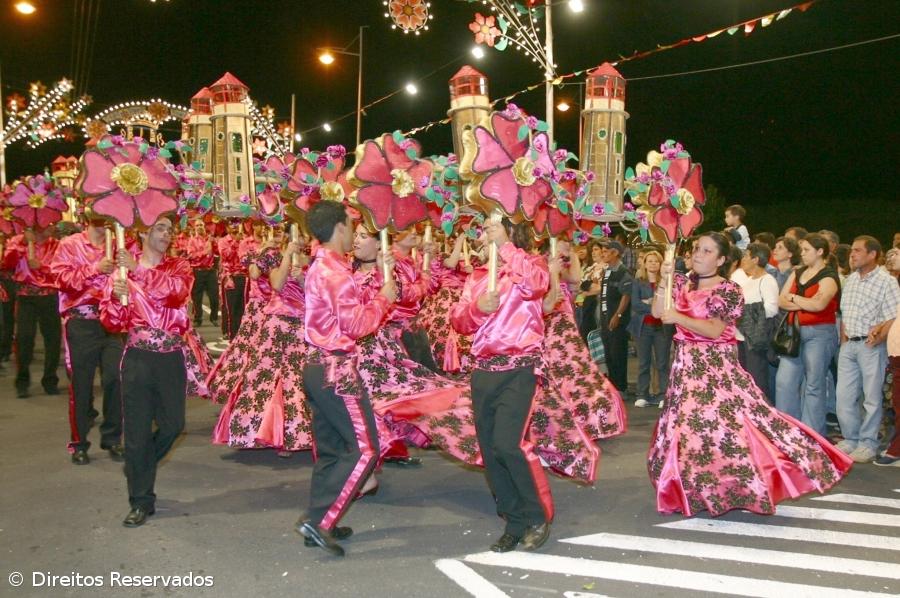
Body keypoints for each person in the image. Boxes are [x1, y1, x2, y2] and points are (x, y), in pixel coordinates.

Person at [648, 232, 852, 516]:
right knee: (688, 429)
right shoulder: (682, 282)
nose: (698, 254)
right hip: (685, 365)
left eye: (707, 251)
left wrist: (679, 318)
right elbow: (659, 311)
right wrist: (664, 281)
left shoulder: (729, 290)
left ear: (721, 260)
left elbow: (715, 330)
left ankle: (741, 481)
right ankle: (698, 489)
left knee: (727, 425)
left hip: (715, 368)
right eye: (697, 249)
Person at [296, 201, 396, 557]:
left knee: (333, 451)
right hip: (336, 370)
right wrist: (384, 299)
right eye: (351, 225)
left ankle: (320, 518)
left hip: (317, 367)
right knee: (366, 449)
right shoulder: (334, 273)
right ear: (339, 227)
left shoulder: (324, 266)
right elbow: (357, 325)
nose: (354, 232)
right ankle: (319, 522)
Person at [451, 218, 553, 553]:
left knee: (508, 445)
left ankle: (536, 517)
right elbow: (458, 321)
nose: (484, 235)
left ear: (509, 232)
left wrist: (506, 247)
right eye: (485, 230)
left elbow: (538, 285)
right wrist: (477, 309)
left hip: (520, 367)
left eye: (492, 228)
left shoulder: (530, 264)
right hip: (483, 370)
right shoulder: (478, 277)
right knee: (491, 451)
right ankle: (514, 522)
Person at [100, 216, 193, 527]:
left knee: (173, 425)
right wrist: (116, 298)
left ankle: (139, 465)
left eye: (170, 229)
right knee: (137, 433)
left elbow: (176, 293)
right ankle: (140, 500)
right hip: (138, 358)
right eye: (160, 228)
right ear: (143, 232)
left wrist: (140, 271)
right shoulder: (121, 272)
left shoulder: (178, 267)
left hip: (170, 357)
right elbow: (112, 322)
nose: (167, 234)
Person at [50, 218, 124, 465]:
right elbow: (60, 279)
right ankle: (79, 443)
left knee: (116, 378)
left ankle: (112, 438)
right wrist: (95, 268)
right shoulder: (70, 244)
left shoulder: (119, 244)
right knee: (81, 384)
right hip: (81, 322)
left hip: (112, 322)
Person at [835, 236, 900, 463]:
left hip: (871, 346)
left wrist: (877, 339)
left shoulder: (886, 281)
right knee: (844, 396)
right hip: (849, 344)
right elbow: (845, 313)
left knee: (871, 398)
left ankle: (868, 443)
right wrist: (844, 339)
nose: (852, 254)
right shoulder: (851, 279)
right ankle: (850, 438)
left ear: (872, 254)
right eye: (852, 250)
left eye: (857, 250)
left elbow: (893, 316)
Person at [774, 234, 841, 434]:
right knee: (784, 381)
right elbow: (781, 301)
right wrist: (805, 303)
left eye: (806, 250)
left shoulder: (829, 276)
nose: (801, 253)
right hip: (794, 332)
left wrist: (794, 297)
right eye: (801, 249)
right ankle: (788, 430)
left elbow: (819, 305)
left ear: (820, 251)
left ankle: (812, 433)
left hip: (820, 334)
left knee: (814, 384)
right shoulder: (798, 272)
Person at [3, 226, 61, 398]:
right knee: (24, 339)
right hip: (25, 297)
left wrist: (42, 267)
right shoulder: (17, 241)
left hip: (50, 296)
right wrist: (24, 243)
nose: (43, 228)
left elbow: (61, 271)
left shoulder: (56, 245)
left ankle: (50, 380)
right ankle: (22, 380)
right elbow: (7, 263)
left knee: (53, 340)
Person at [732, 242, 779, 400]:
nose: (743, 260)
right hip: (741, 336)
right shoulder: (748, 280)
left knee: (757, 378)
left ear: (756, 259)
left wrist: (746, 313)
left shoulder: (767, 280)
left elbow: (771, 308)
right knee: (744, 377)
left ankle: (762, 409)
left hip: (755, 338)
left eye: (746, 256)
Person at [628, 249, 673, 407]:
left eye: (656, 261)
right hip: (643, 327)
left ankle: (663, 395)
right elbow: (636, 304)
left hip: (662, 328)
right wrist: (655, 306)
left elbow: (669, 303)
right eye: (650, 261)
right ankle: (642, 394)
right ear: (645, 264)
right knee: (643, 362)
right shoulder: (638, 282)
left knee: (662, 363)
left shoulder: (667, 282)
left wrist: (650, 302)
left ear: (661, 264)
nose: (653, 264)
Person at [594, 240, 633, 393]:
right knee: (609, 353)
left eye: (605, 251)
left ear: (615, 253)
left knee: (618, 353)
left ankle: (620, 387)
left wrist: (618, 315)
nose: (602, 254)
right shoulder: (607, 271)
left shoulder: (623, 272)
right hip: (606, 319)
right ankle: (612, 386)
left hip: (617, 320)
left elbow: (626, 295)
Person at [875, 249, 900, 466]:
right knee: (897, 402)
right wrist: (882, 326)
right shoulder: (895, 282)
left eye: (898, 252)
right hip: (896, 352)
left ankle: (897, 447)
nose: (892, 256)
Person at [186, 220, 218, 327]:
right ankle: (198, 318)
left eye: (201, 225)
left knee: (214, 296)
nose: (199, 227)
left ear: (204, 226)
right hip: (198, 271)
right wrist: (204, 253)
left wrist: (214, 243)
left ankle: (214, 317)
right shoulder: (192, 241)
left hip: (210, 271)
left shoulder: (210, 239)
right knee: (197, 297)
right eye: (197, 225)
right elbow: (190, 255)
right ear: (194, 228)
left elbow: (217, 252)